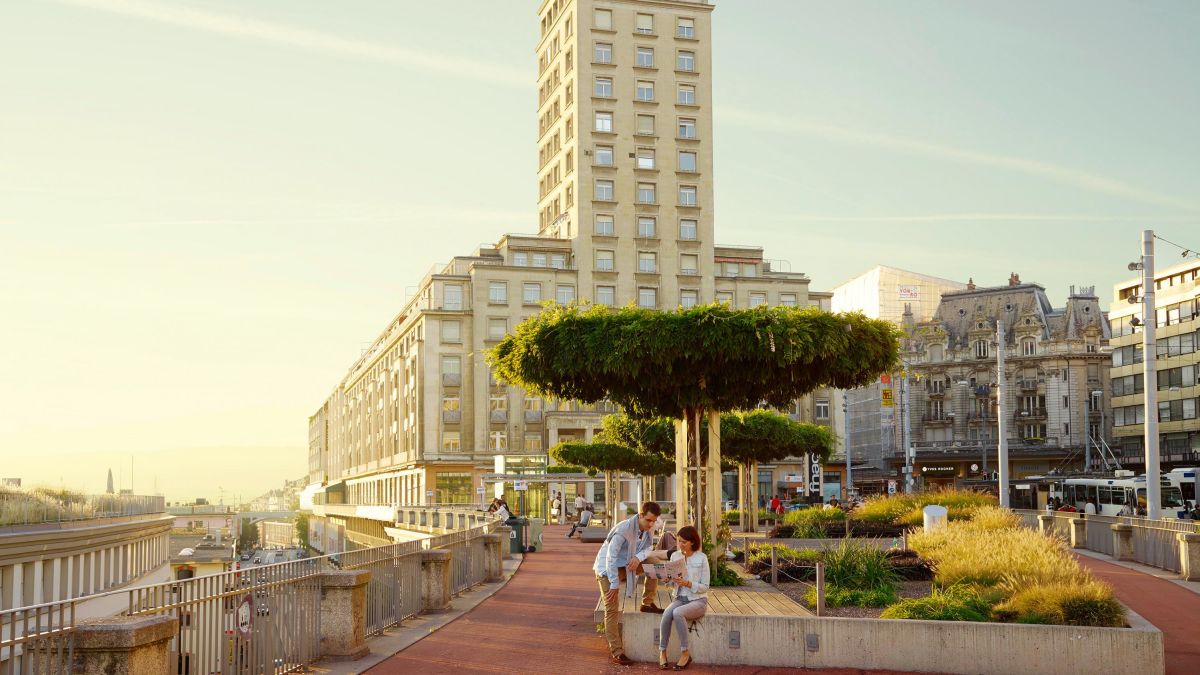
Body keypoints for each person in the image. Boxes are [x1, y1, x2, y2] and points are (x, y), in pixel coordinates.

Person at [594, 501, 663, 666]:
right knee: (611, 608)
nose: (651, 524)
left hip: (628, 563)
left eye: (654, 521)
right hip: (607, 568)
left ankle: (647, 603)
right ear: (640, 515)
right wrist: (614, 583)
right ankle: (617, 651)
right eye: (648, 520)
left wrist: (638, 558)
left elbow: (648, 547)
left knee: (654, 563)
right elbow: (610, 557)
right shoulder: (623, 530)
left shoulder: (649, 527)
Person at [657, 525, 709, 671]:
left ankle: (685, 653)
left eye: (684, 542)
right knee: (667, 614)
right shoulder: (675, 556)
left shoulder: (702, 558)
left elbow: (705, 586)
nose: (680, 545)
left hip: (698, 600)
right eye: (679, 541)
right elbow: (673, 578)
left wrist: (688, 583)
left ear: (692, 542)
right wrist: (668, 579)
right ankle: (662, 652)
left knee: (677, 613)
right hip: (679, 598)